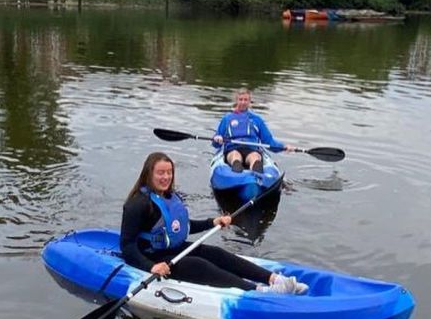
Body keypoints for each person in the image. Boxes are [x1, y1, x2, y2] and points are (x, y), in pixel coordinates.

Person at [120, 152, 308, 294]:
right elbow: (127, 246)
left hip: (172, 250)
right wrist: (151, 267)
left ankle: (274, 279)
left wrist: (213, 222)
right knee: (198, 265)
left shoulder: (168, 196)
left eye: (169, 173)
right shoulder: (137, 203)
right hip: (151, 257)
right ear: (149, 174)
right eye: (160, 173)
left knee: (216, 254)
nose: (166, 177)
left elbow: (182, 227)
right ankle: (256, 290)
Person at [212, 88, 295, 173]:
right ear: (236, 101)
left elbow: (268, 141)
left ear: (249, 102)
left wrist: (283, 147)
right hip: (233, 148)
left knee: (255, 157)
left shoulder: (256, 119)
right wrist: (217, 139)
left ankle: (256, 177)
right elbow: (216, 143)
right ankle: (237, 172)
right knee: (235, 156)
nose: (243, 102)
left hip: (251, 149)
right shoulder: (227, 119)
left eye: (246, 100)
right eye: (240, 99)